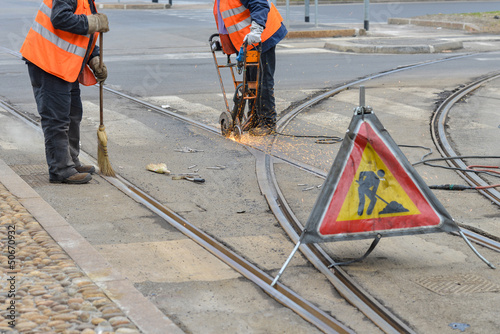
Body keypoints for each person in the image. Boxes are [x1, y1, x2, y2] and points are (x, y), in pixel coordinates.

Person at [20, 0, 109, 184]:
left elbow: (83, 37)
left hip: (65, 65)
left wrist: (94, 58)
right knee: (57, 119)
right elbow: (60, 18)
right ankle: (60, 169)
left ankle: (71, 161)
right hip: (48, 62)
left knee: (73, 114)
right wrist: (91, 23)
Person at [214, 0, 287, 136]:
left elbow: (259, 4)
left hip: (262, 35)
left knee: (262, 79)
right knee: (251, 81)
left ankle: (267, 122)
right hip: (248, 42)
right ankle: (254, 119)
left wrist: (256, 30)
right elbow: (230, 20)